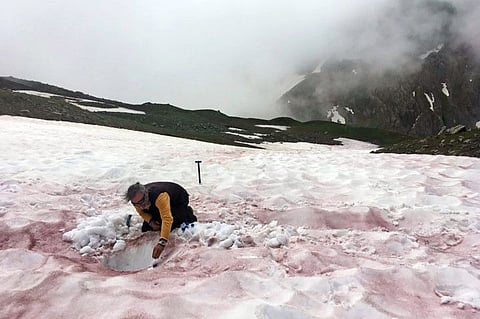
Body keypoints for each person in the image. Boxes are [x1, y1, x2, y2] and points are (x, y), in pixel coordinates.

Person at [125, 182, 197, 258]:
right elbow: (142, 212)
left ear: (146, 194)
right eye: (135, 204)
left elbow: (167, 219)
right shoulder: (136, 201)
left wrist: (162, 242)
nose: (139, 206)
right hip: (155, 203)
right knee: (147, 228)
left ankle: (187, 212)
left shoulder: (160, 196)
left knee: (172, 225)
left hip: (178, 200)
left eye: (141, 202)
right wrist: (151, 221)